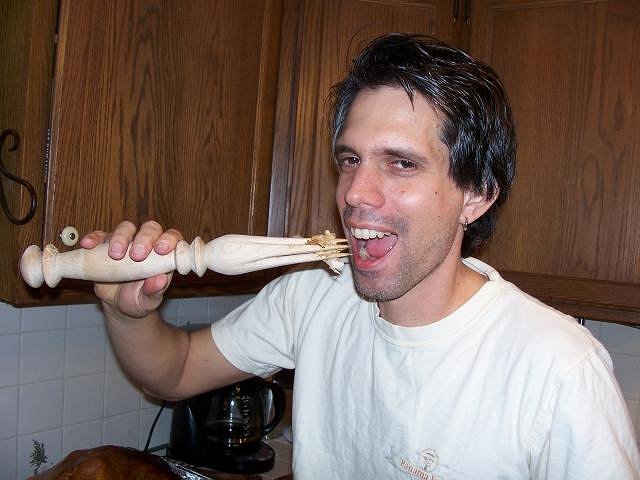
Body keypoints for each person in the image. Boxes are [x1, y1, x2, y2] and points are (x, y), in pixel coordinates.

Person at [81, 34, 639, 479]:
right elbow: (175, 372)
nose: (354, 194)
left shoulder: (559, 370)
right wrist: (129, 314)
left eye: (401, 163)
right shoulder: (314, 295)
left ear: (476, 195)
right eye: (350, 160)